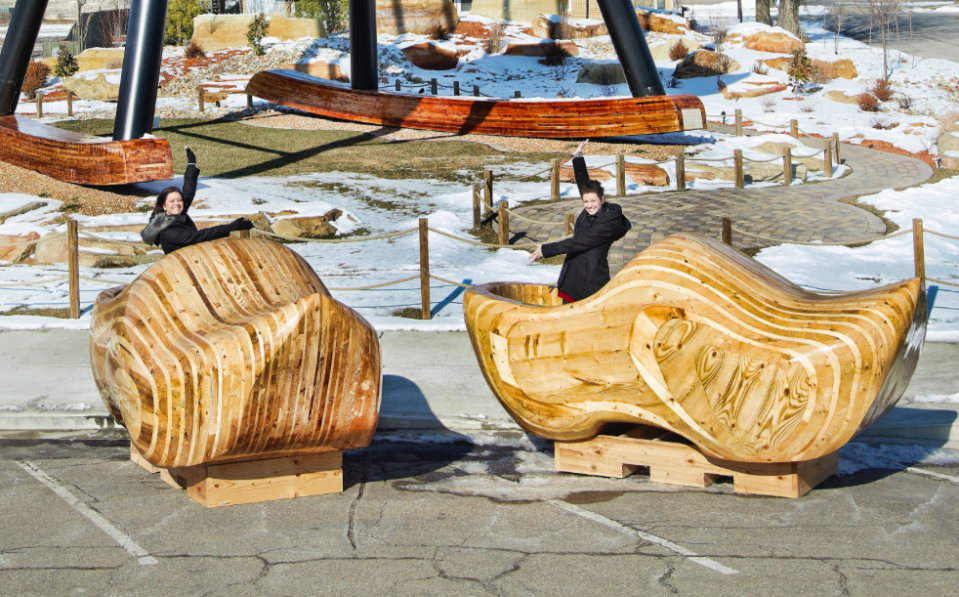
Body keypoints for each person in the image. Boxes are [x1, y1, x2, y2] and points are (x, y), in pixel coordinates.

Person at [529, 140, 632, 303]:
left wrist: (546, 250)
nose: (589, 205)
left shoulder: (606, 225)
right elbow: (583, 183)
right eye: (586, 202)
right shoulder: (593, 210)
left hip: (589, 280)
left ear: (602, 199)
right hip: (575, 273)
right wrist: (578, 156)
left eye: (593, 201)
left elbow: (578, 242)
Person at [141, 147, 254, 255]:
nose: (177, 203)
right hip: (182, 268)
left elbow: (188, 191)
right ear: (164, 205)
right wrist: (230, 227)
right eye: (172, 201)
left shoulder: (176, 214)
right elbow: (198, 236)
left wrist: (191, 164)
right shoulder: (167, 229)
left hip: (194, 258)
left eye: (179, 200)